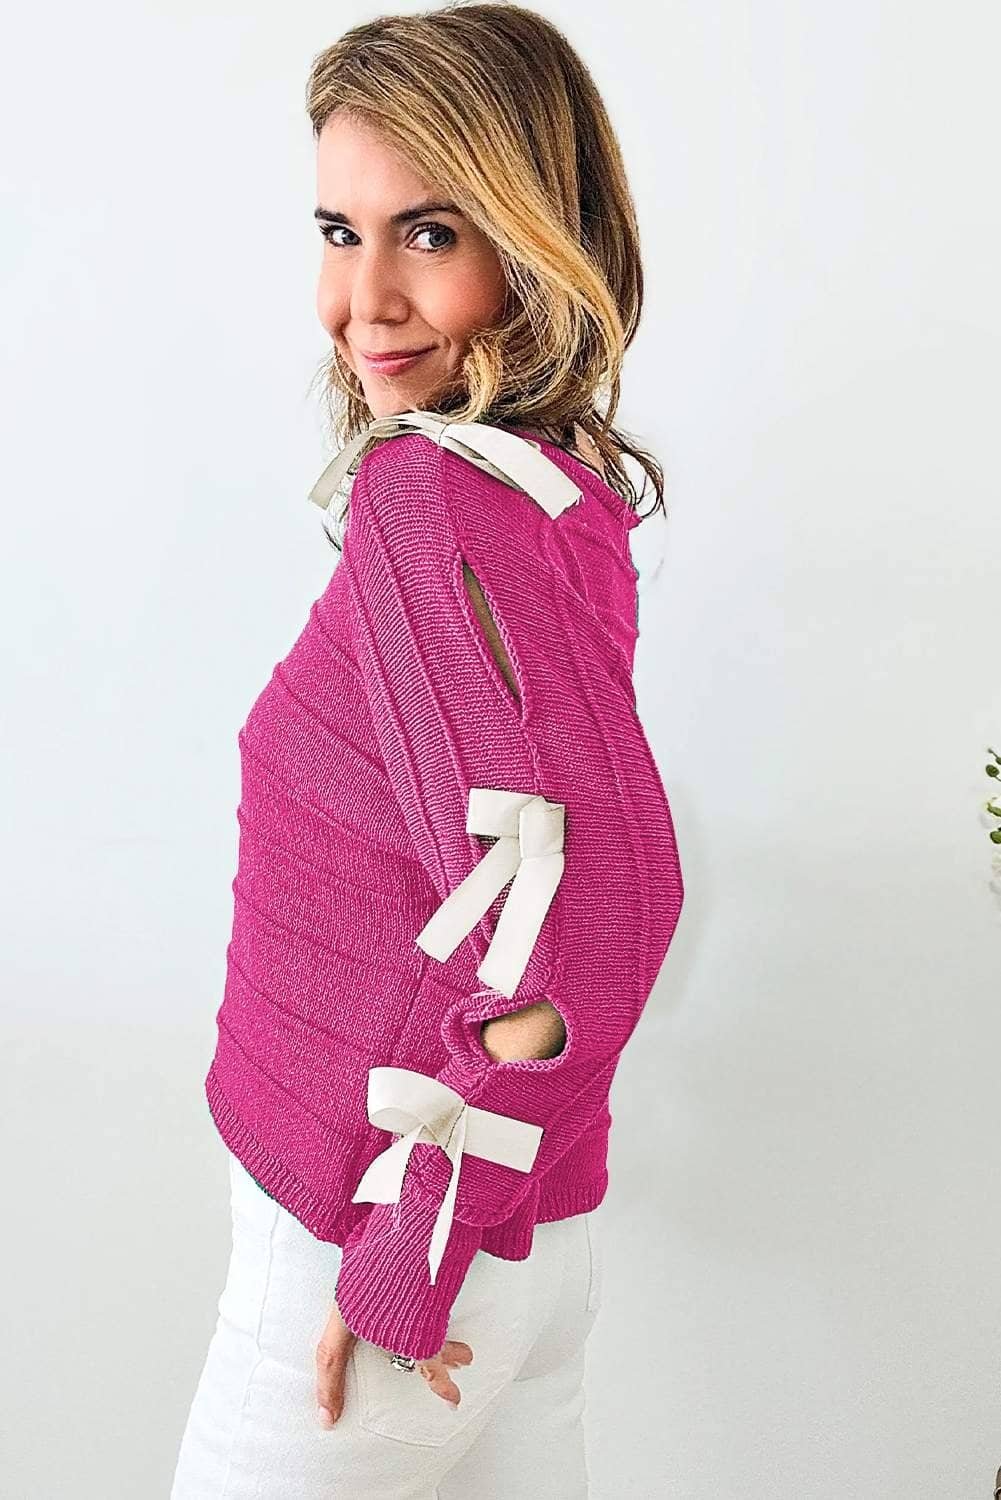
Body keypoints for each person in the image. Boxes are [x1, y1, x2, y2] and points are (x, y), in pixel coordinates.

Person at [169, 5, 684, 1496]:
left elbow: (602, 896)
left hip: (372, 1248)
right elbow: (534, 864)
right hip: (513, 1252)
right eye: (341, 232)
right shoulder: (553, 492)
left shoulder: (430, 498)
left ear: (538, 243)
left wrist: (411, 1236)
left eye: (432, 234)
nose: (365, 300)